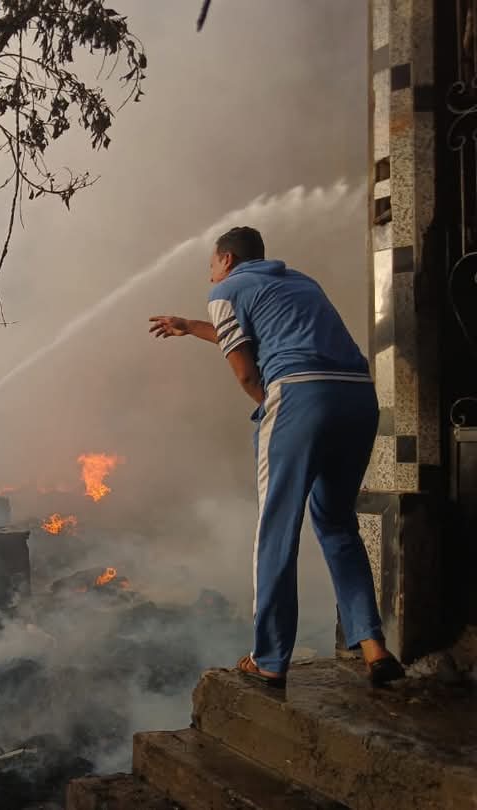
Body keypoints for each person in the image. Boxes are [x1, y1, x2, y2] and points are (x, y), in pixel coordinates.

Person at [148, 226, 405, 689]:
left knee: (276, 527)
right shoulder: (301, 282)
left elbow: (246, 370)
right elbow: (260, 333)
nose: (209, 275)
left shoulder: (225, 289)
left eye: (210, 264)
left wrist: (274, 405)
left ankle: (269, 659)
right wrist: (188, 327)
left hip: (301, 399)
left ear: (225, 260)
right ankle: (374, 648)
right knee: (336, 522)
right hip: (359, 399)